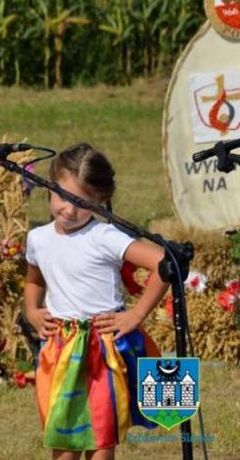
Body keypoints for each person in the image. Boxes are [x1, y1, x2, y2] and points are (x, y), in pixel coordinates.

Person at [24, 143, 168, 459]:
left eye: (82, 202)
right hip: (60, 350)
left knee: (101, 439)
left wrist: (135, 315)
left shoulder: (105, 237)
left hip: (103, 349)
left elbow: (163, 263)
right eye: (63, 196)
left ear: (101, 201)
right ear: (49, 184)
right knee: (63, 439)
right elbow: (34, 280)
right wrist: (32, 311)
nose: (69, 209)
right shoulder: (38, 239)